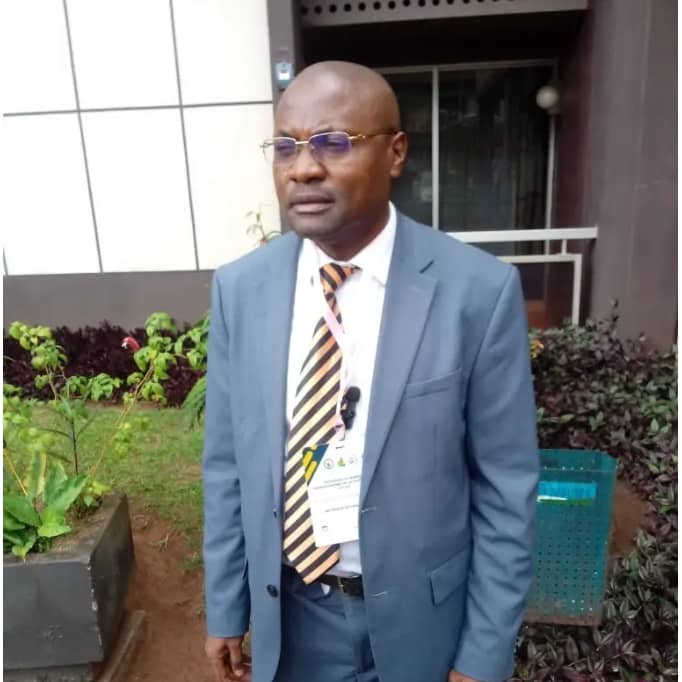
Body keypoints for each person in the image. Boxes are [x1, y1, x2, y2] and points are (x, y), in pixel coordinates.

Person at [202, 61, 539, 682]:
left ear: (396, 153)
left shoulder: (477, 292)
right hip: (293, 617)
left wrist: (482, 656)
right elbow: (227, 466)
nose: (304, 168)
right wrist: (226, 606)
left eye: (333, 143)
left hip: (424, 626)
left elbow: (505, 489)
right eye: (286, 147)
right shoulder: (240, 291)